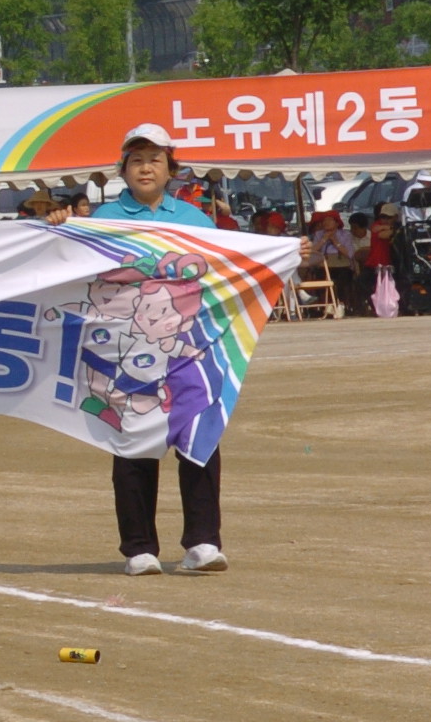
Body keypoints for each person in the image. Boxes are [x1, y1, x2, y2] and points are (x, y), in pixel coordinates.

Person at [45, 123, 271, 576]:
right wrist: (59, 230)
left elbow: (236, 265)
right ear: (122, 169)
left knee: (200, 441)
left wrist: (288, 251)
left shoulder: (197, 222)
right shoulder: (103, 219)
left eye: (154, 159)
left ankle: (203, 543)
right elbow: (64, 265)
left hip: (189, 350)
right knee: (133, 444)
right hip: (123, 351)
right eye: (136, 160)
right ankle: (139, 548)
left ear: (171, 168)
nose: (145, 167)